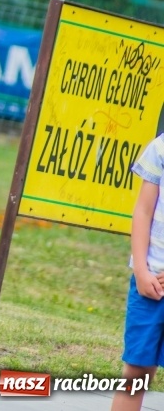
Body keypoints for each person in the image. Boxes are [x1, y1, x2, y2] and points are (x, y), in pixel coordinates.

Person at [112, 134, 164, 411]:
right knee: (136, 372)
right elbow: (143, 211)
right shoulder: (160, 148)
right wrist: (142, 271)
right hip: (151, 282)